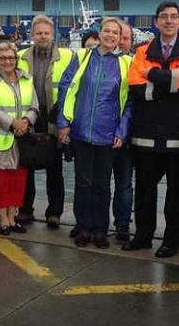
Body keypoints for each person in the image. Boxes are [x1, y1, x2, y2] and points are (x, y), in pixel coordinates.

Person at [123, 2, 179, 258]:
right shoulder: (142, 50)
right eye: (163, 17)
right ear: (156, 22)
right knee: (145, 192)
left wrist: (154, 74)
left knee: (178, 194)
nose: (168, 21)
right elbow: (136, 86)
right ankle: (143, 235)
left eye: (173, 17)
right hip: (146, 134)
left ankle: (174, 238)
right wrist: (172, 79)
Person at [57, 18, 133, 248]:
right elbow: (66, 89)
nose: (110, 36)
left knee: (102, 184)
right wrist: (63, 122)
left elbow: (130, 102)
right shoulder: (81, 58)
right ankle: (83, 226)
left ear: (121, 38)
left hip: (108, 134)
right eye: (106, 31)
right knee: (83, 182)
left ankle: (100, 228)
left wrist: (122, 130)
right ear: (99, 33)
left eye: (115, 33)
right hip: (81, 132)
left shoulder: (126, 63)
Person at [16, 16, 74, 229]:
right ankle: (25, 209)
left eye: (46, 33)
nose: (42, 36)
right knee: (26, 167)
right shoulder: (20, 57)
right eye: (38, 33)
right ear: (32, 35)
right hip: (28, 119)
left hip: (55, 121)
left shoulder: (67, 57)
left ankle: (54, 212)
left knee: (55, 169)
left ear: (52, 34)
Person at [0, 43, 40, 235]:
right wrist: (13, 123)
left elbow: (34, 105)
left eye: (11, 58)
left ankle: (13, 219)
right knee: (1, 183)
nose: (7, 61)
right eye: (2, 58)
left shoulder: (27, 79)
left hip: (22, 140)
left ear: (16, 59)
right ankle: (3, 220)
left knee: (18, 182)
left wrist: (26, 122)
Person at [109, 21, 135, 241]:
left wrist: (123, 131)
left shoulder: (133, 64)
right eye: (120, 37)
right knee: (96, 182)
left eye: (126, 38)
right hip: (100, 134)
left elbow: (133, 103)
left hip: (125, 136)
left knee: (124, 182)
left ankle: (123, 222)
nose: (122, 42)